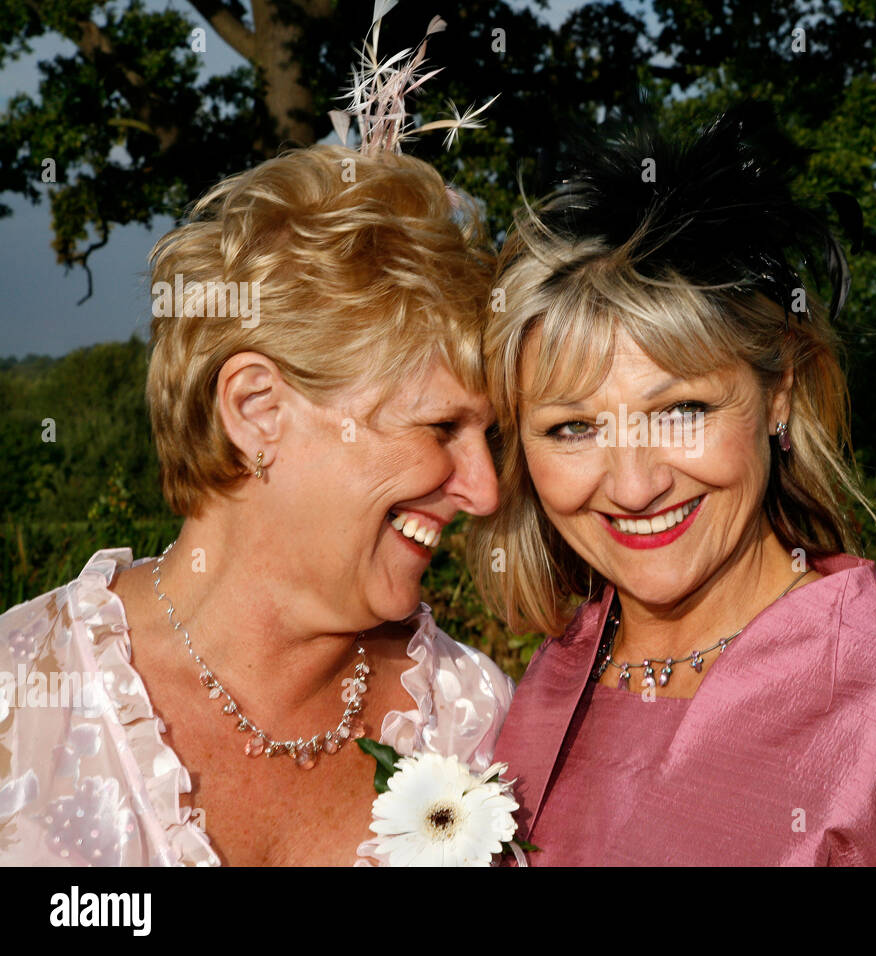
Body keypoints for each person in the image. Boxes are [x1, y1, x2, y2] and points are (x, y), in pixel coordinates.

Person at [472, 106, 876, 865]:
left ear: (780, 394)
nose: (633, 485)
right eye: (573, 427)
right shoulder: (529, 691)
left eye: (682, 411)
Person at [0, 143, 512, 866]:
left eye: (488, 436)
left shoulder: (472, 718)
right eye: (440, 427)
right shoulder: (20, 698)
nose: (484, 491)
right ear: (257, 409)